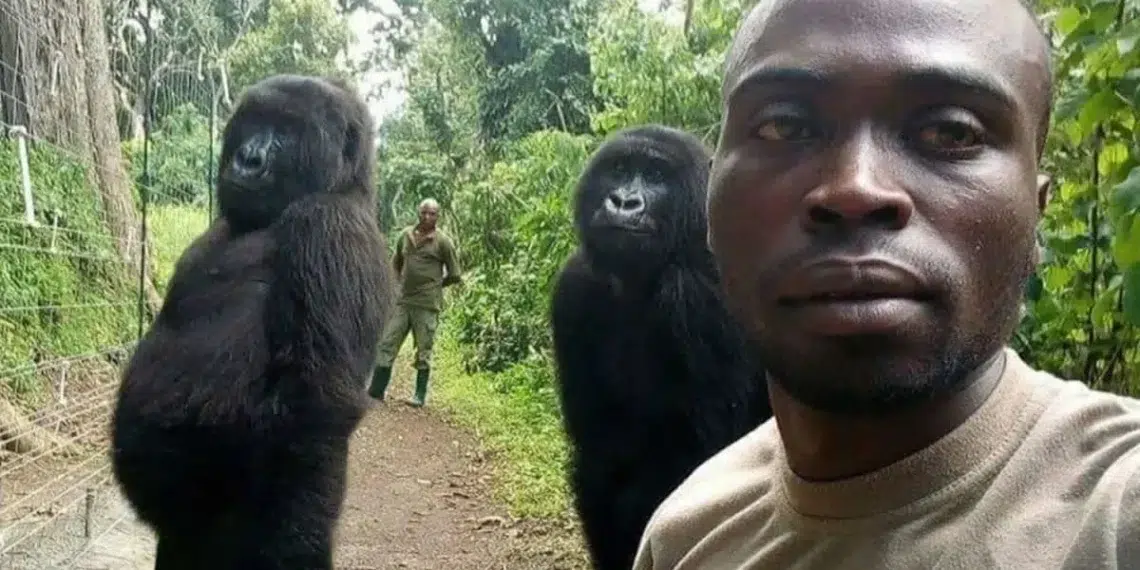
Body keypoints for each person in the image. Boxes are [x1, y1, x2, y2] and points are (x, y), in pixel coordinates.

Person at [633, 0, 1140, 568]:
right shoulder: (687, 538)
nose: (855, 188)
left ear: (1036, 215)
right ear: (709, 208)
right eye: (784, 125)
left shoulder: (1118, 508)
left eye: (951, 131)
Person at [368, 198, 461, 407]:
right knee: (386, 344)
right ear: (418, 213)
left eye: (432, 214)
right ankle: (376, 390)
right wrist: (394, 288)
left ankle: (419, 396)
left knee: (423, 350)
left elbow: (455, 274)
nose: (428, 217)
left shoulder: (443, 242)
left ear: (438, 216)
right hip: (402, 302)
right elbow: (395, 265)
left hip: (427, 305)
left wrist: (435, 286)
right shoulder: (405, 236)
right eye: (424, 213)